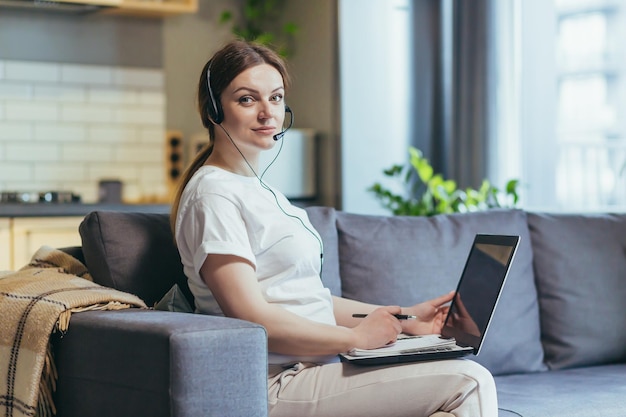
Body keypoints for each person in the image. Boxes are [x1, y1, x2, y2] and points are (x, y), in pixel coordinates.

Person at [171, 40, 498, 417]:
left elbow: (309, 301)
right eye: (247, 99)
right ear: (214, 110)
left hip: (316, 368)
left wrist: (405, 318)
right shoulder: (214, 194)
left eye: (276, 98)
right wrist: (356, 338)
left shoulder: (263, 192)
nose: (267, 113)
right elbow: (251, 316)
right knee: (469, 381)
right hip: (273, 380)